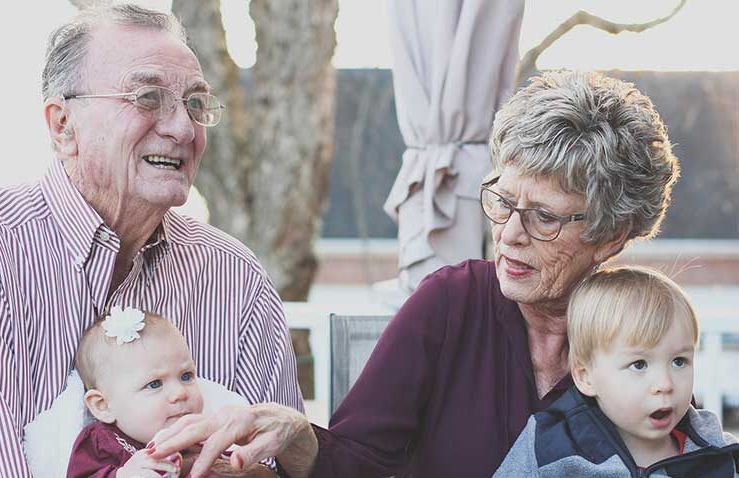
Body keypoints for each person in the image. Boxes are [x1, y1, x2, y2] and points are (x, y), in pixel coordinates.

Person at [147, 70, 684, 478]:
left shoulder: (643, 328)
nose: (510, 233)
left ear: (612, 236)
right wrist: (295, 435)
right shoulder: (450, 303)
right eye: (501, 200)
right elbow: (355, 462)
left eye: (543, 217)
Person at [0, 5, 303, 476]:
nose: (183, 129)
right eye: (148, 98)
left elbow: (279, 466)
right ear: (63, 126)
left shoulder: (234, 274)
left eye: (194, 104)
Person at [493, 266, 739, 477]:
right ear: (585, 376)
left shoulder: (718, 455)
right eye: (639, 365)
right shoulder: (550, 449)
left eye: (679, 361)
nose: (665, 384)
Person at [67, 308, 198, 478]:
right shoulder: (102, 442)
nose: (180, 392)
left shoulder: (201, 437)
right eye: (154, 384)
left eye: (186, 376)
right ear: (104, 406)